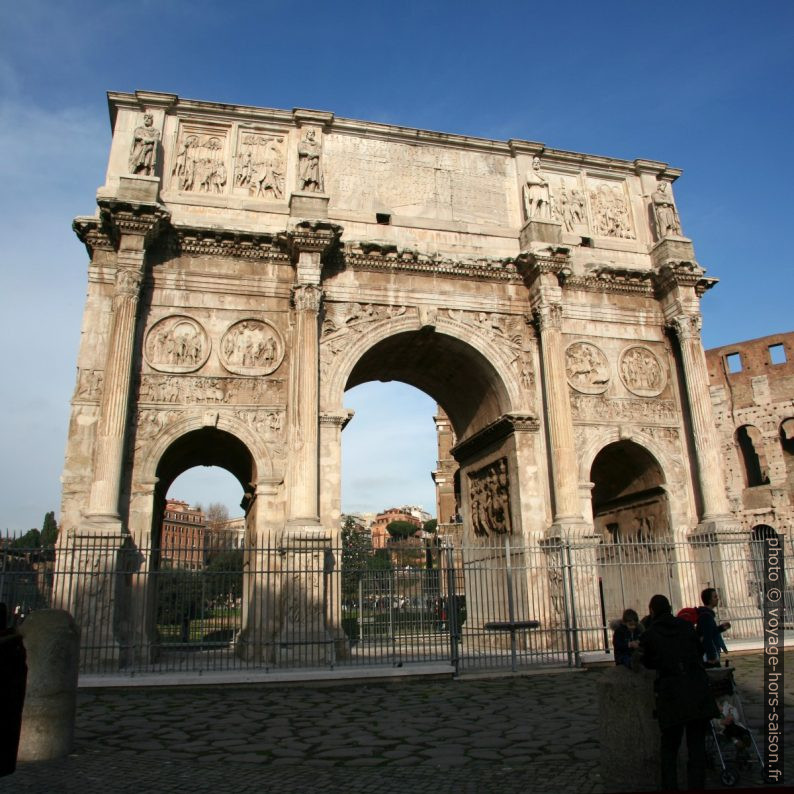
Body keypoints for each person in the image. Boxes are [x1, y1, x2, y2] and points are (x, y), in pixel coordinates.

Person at [640, 594, 719, 791]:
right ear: (670, 607)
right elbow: (699, 649)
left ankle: (670, 787)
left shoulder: (650, 634)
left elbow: (648, 662)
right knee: (696, 748)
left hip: (671, 694)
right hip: (696, 690)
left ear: (651, 611)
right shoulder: (685, 626)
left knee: (669, 749)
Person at [697, 587, 730, 666]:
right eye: (715, 597)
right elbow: (707, 637)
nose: (717, 599)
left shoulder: (707, 614)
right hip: (709, 656)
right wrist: (711, 657)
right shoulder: (706, 616)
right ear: (709, 600)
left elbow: (710, 631)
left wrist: (720, 628)